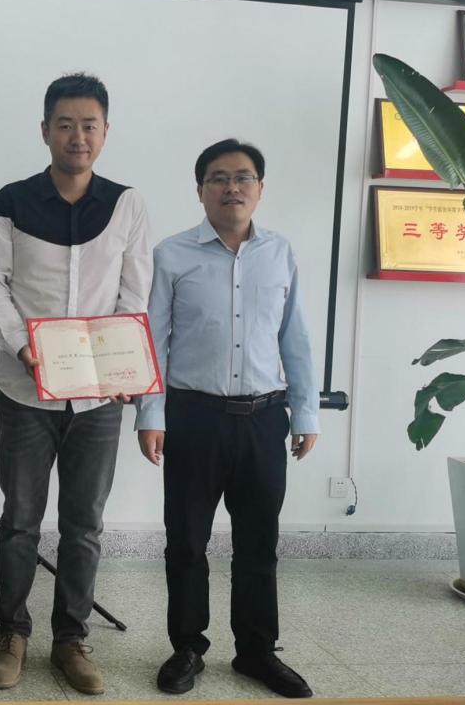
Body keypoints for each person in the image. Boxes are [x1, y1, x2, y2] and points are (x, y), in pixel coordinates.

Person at [0, 73, 152, 695]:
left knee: (84, 523)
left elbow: (134, 294)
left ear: (106, 132)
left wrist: (124, 365)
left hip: (99, 399)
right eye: (66, 124)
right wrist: (24, 348)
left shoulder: (127, 204)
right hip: (25, 391)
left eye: (89, 125)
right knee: (20, 519)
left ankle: (71, 639)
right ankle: (12, 634)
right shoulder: (11, 200)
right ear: (45, 130)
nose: (78, 136)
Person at [136, 139, 319, 699]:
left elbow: (295, 338)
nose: (231, 187)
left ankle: (256, 651)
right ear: (200, 190)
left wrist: (305, 412)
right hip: (193, 416)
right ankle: (187, 647)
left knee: (259, 543)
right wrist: (150, 413)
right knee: (186, 541)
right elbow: (153, 342)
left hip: (264, 419)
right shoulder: (172, 254)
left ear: (260, 188)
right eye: (218, 178)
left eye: (243, 177)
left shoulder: (280, 253)